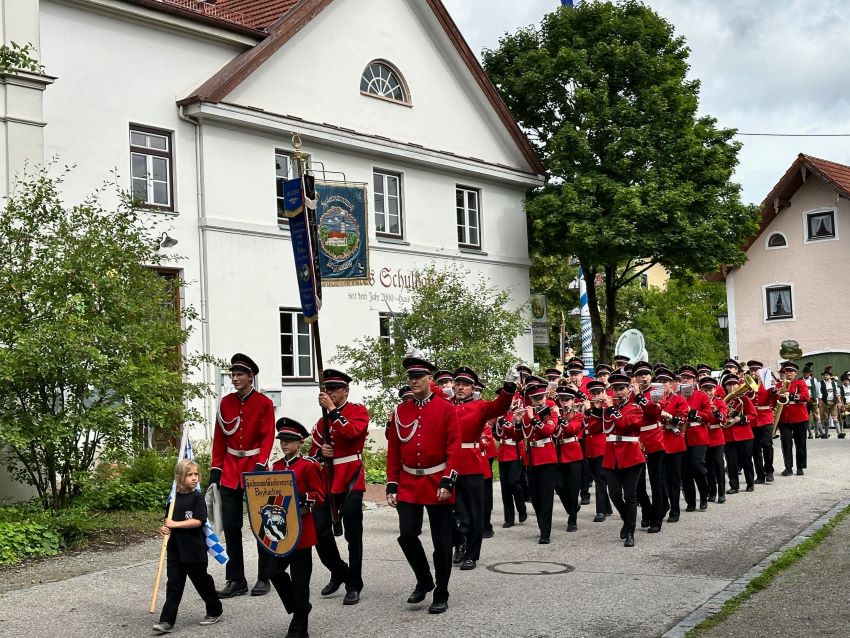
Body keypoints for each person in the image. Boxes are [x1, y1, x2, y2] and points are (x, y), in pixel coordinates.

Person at [386, 356, 460, 614]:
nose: (414, 380)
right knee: (407, 535)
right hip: (409, 482)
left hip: (437, 479)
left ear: (430, 378)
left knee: (442, 541)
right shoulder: (400, 411)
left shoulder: (446, 408)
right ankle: (424, 580)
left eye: (419, 376)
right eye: (410, 377)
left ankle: (441, 591)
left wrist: (448, 480)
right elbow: (394, 451)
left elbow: (454, 448)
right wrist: (392, 483)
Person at [210, 354, 276, 598]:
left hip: (253, 466)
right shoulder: (225, 402)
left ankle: (264, 577)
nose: (235, 378)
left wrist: (261, 463)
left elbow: (268, 436)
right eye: (233, 374)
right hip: (230, 469)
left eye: (239, 374)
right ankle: (236, 579)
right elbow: (220, 437)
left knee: (261, 524)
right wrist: (216, 468)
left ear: (251, 377)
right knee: (231, 526)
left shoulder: (264, 403)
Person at [309, 369, 369, 606]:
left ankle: (354, 583)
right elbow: (313, 451)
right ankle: (339, 571)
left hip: (351, 476)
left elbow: (352, 433)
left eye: (335, 389)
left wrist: (333, 411)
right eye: (328, 390)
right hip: (327, 480)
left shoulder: (357, 411)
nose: (330, 393)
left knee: (353, 533)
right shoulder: (321, 422)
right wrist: (321, 453)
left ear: (346, 391)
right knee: (319, 531)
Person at [449, 366, 515, 570]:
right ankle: (459, 542)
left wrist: (509, 386)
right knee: (451, 511)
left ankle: (471, 554)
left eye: (465, 385)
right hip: (449, 464)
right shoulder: (446, 405)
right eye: (458, 384)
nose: (461, 388)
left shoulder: (480, 406)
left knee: (474, 511)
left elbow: (500, 406)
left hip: (472, 464)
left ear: (473, 388)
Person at [267, 418, 326, 638]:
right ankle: (299, 607)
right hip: (281, 531)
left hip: (302, 530)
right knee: (273, 572)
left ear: (300, 442)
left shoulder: (309, 465)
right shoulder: (276, 466)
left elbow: (320, 496)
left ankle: (300, 627)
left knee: (301, 581)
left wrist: (303, 498)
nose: (284, 444)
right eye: (282, 439)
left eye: (289, 440)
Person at [153, 460, 223, 635]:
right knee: (174, 584)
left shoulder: (197, 497)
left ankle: (215, 609)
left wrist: (175, 524)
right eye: (189, 475)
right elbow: (168, 521)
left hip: (194, 550)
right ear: (178, 478)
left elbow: (198, 521)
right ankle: (167, 620)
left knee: (202, 582)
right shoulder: (173, 499)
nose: (194, 478)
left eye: (196, 474)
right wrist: (165, 527)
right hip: (175, 549)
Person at [601, 373, 643, 547]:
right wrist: (597, 409)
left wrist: (611, 409)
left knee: (630, 496)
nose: (618, 392)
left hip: (631, 456)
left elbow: (624, 424)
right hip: (612, 457)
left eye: (621, 389)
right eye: (615, 389)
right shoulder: (608, 409)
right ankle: (627, 520)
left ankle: (630, 532)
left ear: (628, 390)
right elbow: (602, 428)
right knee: (614, 494)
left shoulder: (635, 408)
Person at [515, 379, 558, 544]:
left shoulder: (550, 412)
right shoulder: (527, 413)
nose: (539, 401)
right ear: (530, 400)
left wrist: (533, 419)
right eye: (535, 398)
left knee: (546, 496)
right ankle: (542, 525)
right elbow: (518, 437)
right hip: (531, 459)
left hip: (547, 458)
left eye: (541, 397)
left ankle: (545, 532)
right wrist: (518, 422)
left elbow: (548, 431)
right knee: (535, 497)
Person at [633, 361, 667, 533]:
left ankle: (656, 520)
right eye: (640, 375)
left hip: (654, 439)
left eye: (646, 374)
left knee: (656, 482)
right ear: (635, 378)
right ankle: (647, 510)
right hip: (637, 441)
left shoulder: (657, 391)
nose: (644, 377)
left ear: (651, 376)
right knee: (637, 484)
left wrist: (639, 397)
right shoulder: (631, 394)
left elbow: (654, 411)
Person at [656, 368, 688, 523]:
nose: (662, 384)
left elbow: (682, 420)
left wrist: (666, 415)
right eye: (660, 382)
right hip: (658, 442)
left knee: (673, 479)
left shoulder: (678, 399)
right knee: (660, 479)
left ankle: (675, 509)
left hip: (674, 442)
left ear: (672, 384)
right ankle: (664, 505)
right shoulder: (653, 400)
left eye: (665, 382)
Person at [678, 366, 712, 512]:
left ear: (694, 380)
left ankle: (704, 496)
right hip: (681, 436)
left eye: (689, 378)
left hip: (698, 435)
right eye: (683, 378)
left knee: (698, 467)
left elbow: (708, 416)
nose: (686, 380)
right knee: (685, 471)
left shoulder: (701, 396)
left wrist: (691, 411)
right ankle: (690, 501)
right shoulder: (677, 396)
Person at [553, 383, 584, 532]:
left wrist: (559, 418)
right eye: (562, 400)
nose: (564, 402)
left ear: (573, 400)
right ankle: (572, 508)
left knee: (573, 488)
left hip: (573, 454)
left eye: (567, 399)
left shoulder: (578, 415)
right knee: (559, 486)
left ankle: (572, 519)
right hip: (558, 453)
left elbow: (572, 429)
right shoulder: (555, 414)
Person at [583, 379, 614, 522]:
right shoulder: (588, 406)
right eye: (594, 393)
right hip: (590, 447)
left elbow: (599, 425)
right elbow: (585, 425)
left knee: (600, 478)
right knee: (596, 477)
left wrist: (596, 409)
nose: (596, 395)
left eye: (599, 392)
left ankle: (600, 511)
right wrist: (587, 410)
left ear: (604, 392)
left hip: (602, 445)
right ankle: (607, 507)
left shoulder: (608, 405)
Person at [773, 361, 810, 476]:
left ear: (795, 373)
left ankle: (800, 467)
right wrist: (773, 393)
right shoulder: (779, 385)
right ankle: (788, 467)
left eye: (792, 371)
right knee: (786, 443)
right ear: (784, 373)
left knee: (800, 443)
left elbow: (806, 397)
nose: (789, 373)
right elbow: (775, 401)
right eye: (787, 371)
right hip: (785, 418)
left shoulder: (800, 383)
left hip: (800, 418)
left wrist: (793, 396)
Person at [721, 376, 756, 493]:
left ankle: (750, 483)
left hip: (744, 434)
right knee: (731, 462)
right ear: (726, 387)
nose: (731, 387)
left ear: (738, 385)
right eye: (729, 385)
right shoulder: (723, 400)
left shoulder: (744, 399)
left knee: (746, 460)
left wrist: (739, 419)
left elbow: (753, 414)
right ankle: (734, 486)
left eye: (734, 384)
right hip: (728, 435)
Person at [748, 360, 775, 483]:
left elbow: (775, 397)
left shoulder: (767, 382)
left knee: (767, 445)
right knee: (755, 448)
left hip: (765, 417)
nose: (754, 372)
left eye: (756, 370)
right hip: (752, 419)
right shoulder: (746, 383)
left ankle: (769, 471)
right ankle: (760, 474)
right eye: (752, 370)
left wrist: (774, 391)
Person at [701, 377, 727, 503]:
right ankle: (712, 492)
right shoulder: (701, 402)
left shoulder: (719, 402)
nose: (708, 392)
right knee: (708, 467)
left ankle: (721, 493)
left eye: (710, 390)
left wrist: (716, 411)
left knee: (718, 465)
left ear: (715, 390)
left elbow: (724, 419)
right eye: (705, 390)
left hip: (717, 437)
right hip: (704, 437)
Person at [480, 420, 498, 539]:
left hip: (482, 462)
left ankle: (486, 525)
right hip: (465, 465)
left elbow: (485, 440)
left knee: (485, 498)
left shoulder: (484, 424)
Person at [817, 366, 842, 438]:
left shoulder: (834, 383)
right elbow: (819, 394)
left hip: (833, 402)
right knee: (826, 419)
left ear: (830, 376)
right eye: (824, 375)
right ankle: (826, 434)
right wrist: (820, 401)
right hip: (825, 403)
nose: (825, 376)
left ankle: (839, 433)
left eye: (827, 375)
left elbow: (837, 393)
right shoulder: (820, 383)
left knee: (835, 418)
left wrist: (839, 402)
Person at [801, 362, 823, 439]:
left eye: (807, 373)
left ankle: (816, 433)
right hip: (804, 401)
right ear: (803, 373)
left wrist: (820, 399)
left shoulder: (814, 380)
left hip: (813, 399)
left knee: (816, 416)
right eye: (805, 372)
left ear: (810, 373)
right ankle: (810, 433)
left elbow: (818, 390)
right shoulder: (800, 380)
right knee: (806, 417)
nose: (806, 374)